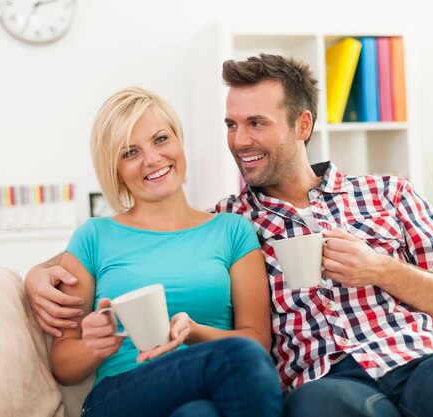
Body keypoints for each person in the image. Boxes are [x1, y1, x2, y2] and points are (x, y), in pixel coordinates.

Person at [26, 56, 433, 417]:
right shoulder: (236, 220)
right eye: (231, 124)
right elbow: (133, 240)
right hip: (326, 381)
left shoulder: (388, 194)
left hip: (428, 355)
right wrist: (33, 275)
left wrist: (382, 268)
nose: (240, 140)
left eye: (257, 123)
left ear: (302, 125)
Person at [48, 86, 283, 417]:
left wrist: (195, 331)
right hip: (121, 394)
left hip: (210, 393)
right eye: (130, 152)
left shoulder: (232, 231)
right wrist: (94, 347)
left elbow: (257, 342)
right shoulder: (93, 237)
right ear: (115, 169)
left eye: (160, 140)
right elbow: (62, 364)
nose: (152, 159)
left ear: (178, 140)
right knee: (236, 357)